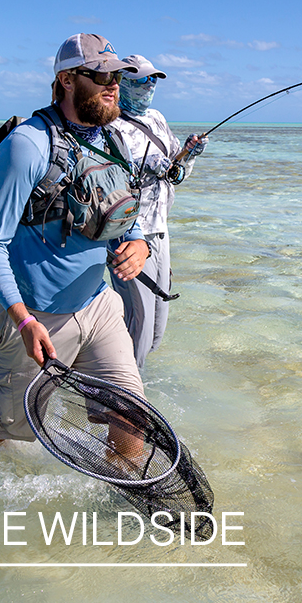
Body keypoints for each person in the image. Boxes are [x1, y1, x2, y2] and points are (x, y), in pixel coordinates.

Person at [0, 33, 151, 445]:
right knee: (7, 432)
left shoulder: (113, 138)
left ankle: (113, 509)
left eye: (117, 77)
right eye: (100, 76)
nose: (113, 86)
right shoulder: (25, 146)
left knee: (133, 418)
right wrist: (24, 320)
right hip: (33, 317)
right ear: (67, 80)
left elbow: (123, 209)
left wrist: (140, 243)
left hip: (99, 305)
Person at [109, 54, 206, 369]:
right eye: (141, 79)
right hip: (129, 232)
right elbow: (106, 178)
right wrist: (143, 166)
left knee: (156, 331)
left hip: (160, 229)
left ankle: (130, 384)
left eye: (153, 80)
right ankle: (124, 399)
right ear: (122, 82)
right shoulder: (108, 123)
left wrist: (188, 156)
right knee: (138, 323)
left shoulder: (157, 118)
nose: (149, 85)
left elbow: (176, 173)